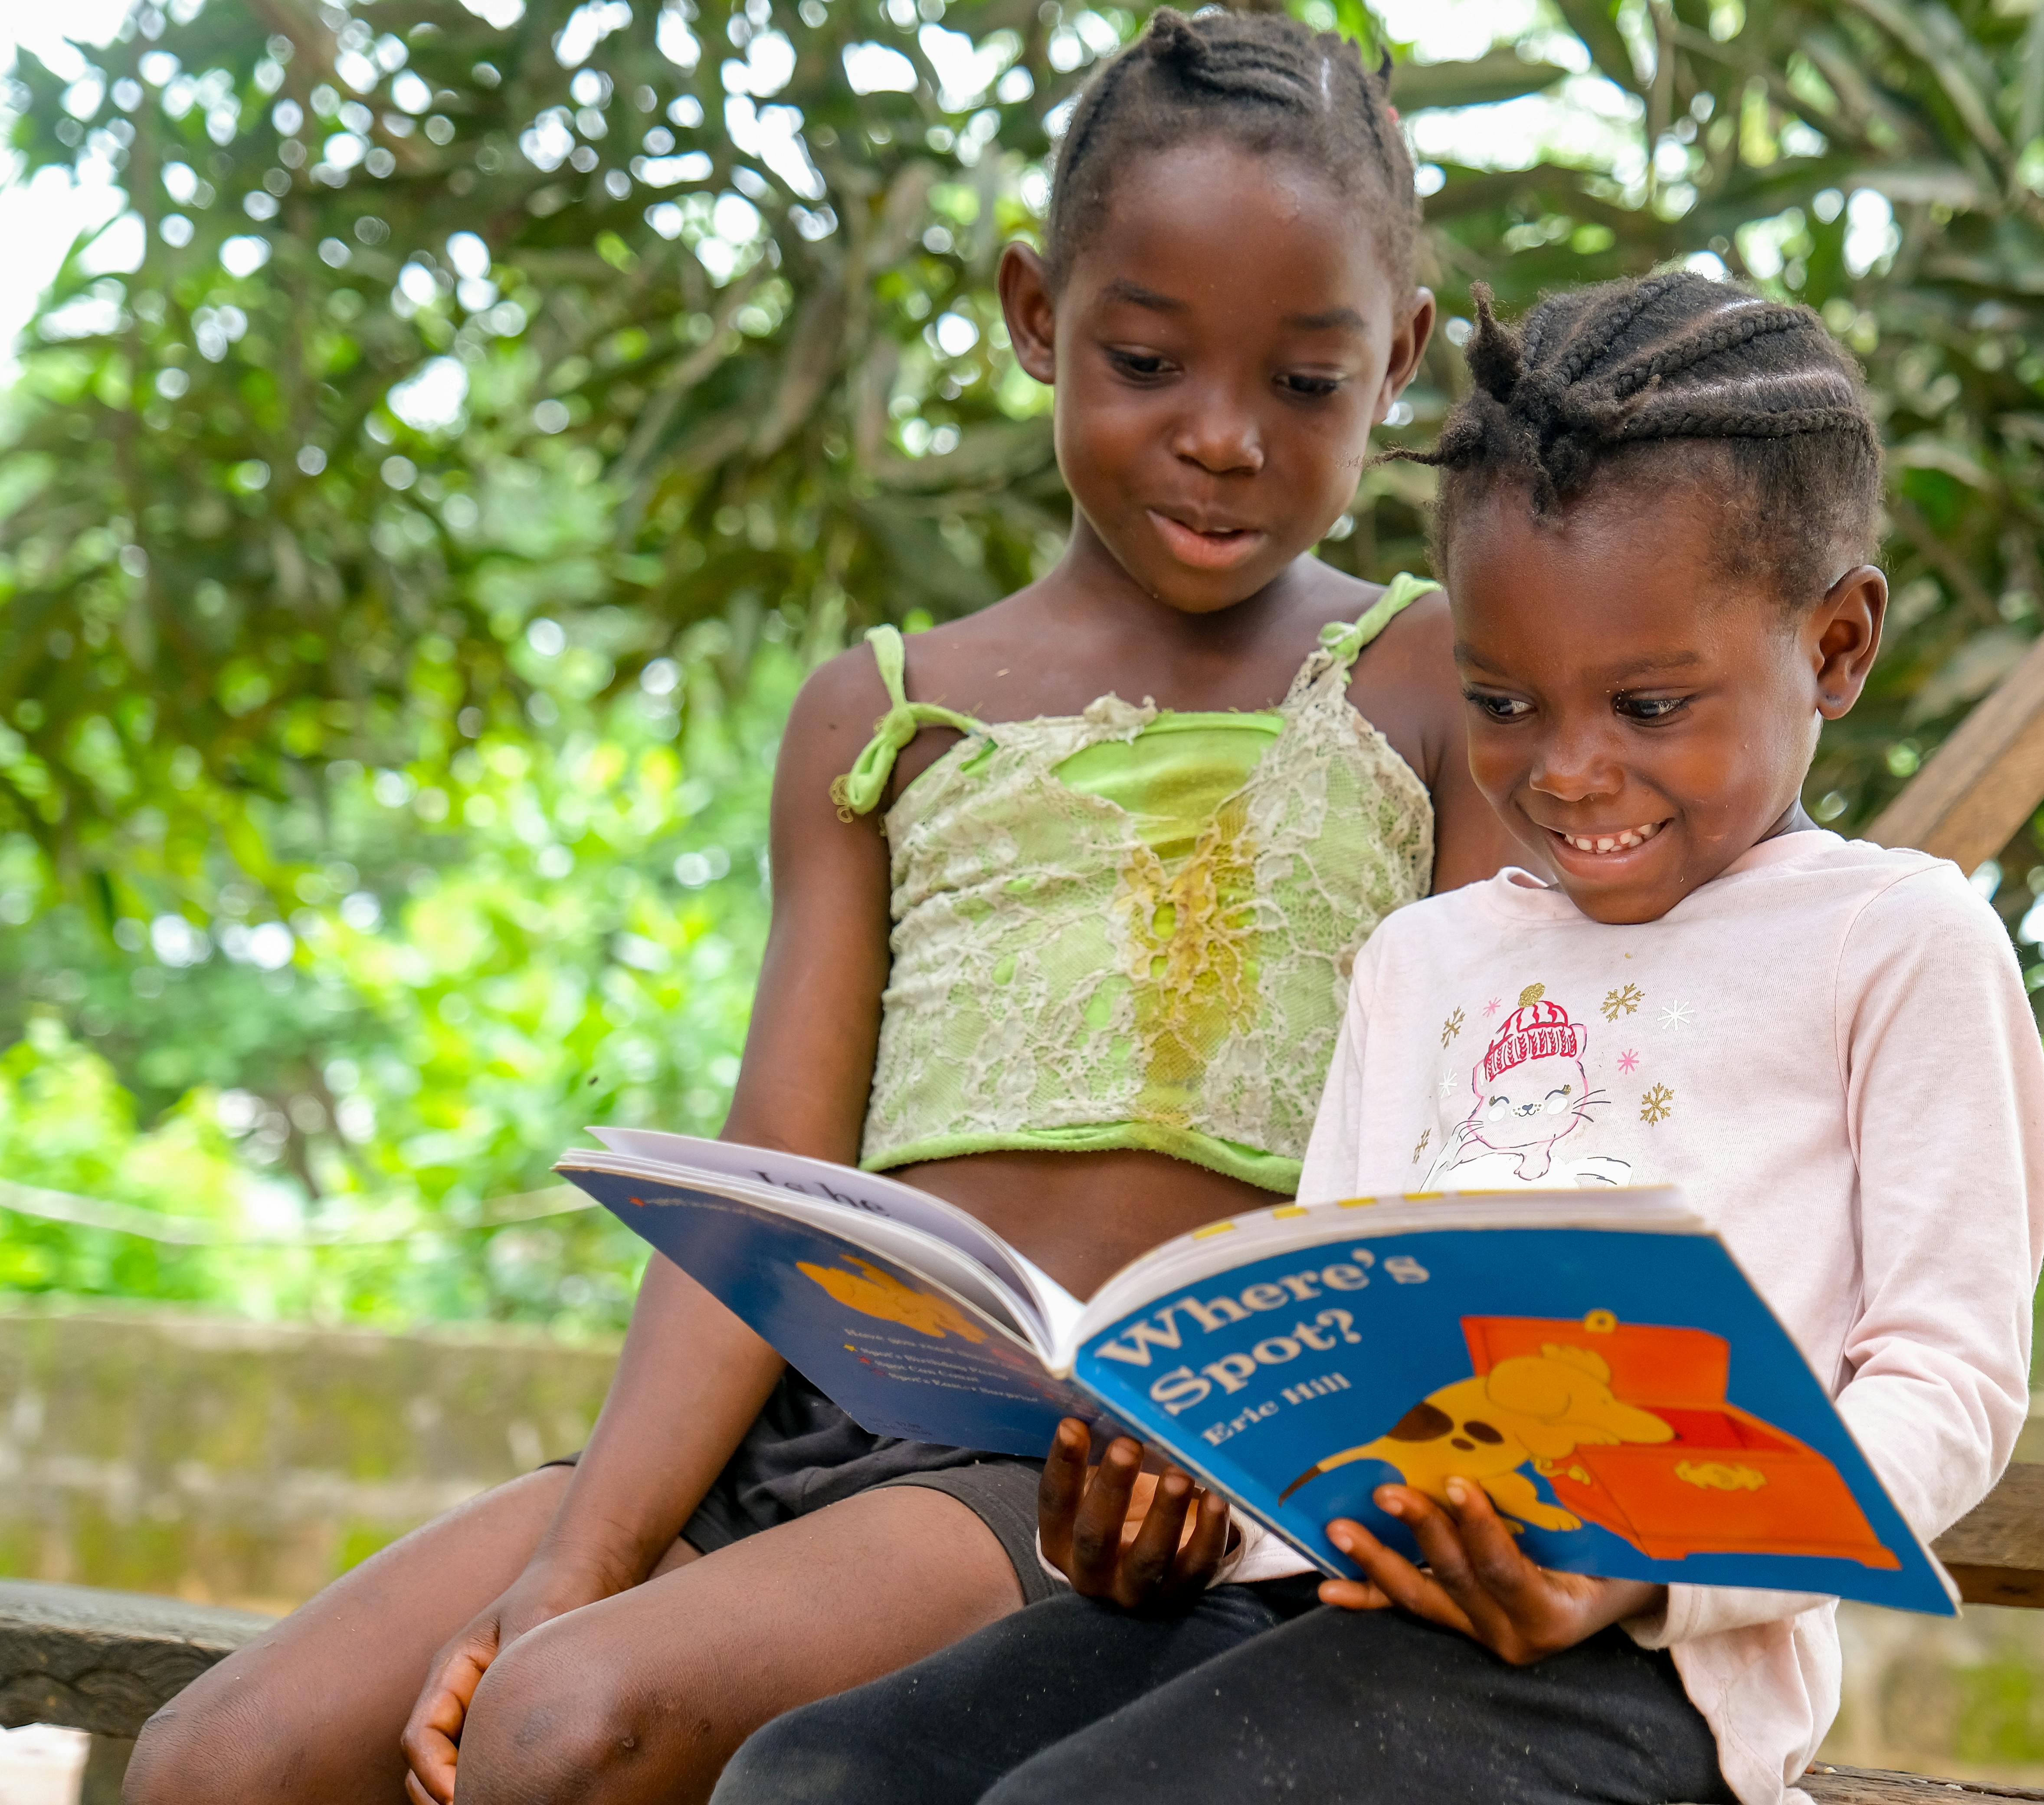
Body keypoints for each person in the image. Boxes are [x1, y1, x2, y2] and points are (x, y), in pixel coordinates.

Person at [124, 14, 1516, 1805]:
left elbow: (1477, 1155)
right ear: (1036, 315)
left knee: (566, 1724)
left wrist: (1269, 1446)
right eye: (1150, 359)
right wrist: (583, 1551)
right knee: (209, 1759)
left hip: (1089, 1479)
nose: (1225, 439)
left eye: (1306, 385)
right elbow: (779, 1168)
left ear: (1399, 356)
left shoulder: (1429, 688)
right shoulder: (886, 716)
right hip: (812, 1425)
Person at [711, 270, 2044, 1805]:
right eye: (1503, 700)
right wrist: (1177, 1509)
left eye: (1649, 705)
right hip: (1298, 1602)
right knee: (815, 1775)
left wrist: (1634, 1568)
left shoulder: (1895, 943)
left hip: (1627, 1660)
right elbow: (1336, 1354)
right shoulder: (1428, 959)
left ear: (1836, 643)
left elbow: (1945, 1391)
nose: (1567, 773)